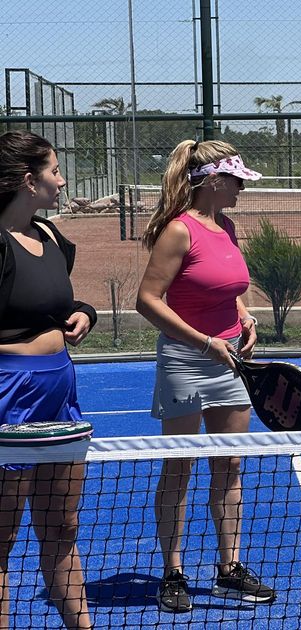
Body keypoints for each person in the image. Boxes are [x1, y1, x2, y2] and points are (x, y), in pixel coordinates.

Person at [135, 140, 275, 613]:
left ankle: (228, 569)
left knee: (229, 464)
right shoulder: (179, 231)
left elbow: (227, 287)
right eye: (237, 181)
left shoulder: (226, 226)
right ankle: (172, 573)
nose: (241, 189)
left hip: (230, 360)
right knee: (180, 466)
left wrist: (245, 317)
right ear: (214, 181)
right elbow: (147, 300)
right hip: (186, 361)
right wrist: (203, 342)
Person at [0, 130, 97, 629]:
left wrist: (84, 312)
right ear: (27, 180)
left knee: (63, 526)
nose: (61, 181)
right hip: (8, 396)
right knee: (1, 537)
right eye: (54, 172)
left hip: (60, 391)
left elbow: (54, 301)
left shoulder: (52, 236)